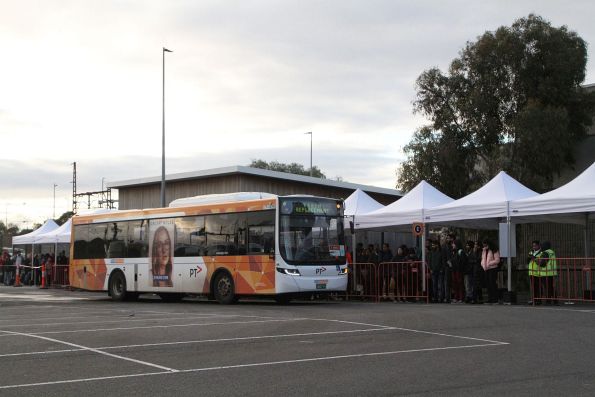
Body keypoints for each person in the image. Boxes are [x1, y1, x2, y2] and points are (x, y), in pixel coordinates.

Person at [481, 239, 501, 304]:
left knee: (492, 283)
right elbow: (483, 259)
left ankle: (495, 299)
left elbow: (497, 260)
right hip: (486, 269)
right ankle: (490, 298)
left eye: (485, 244)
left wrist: (489, 263)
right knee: (488, 284)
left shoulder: (494, 250)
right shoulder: (484, 251)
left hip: (493, 269)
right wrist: (483, 264)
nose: (484, 245)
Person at [527, 240, 543, 304]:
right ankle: (534, 299)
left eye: (535, 246)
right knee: (533, 287)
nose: (534, 247)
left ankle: (539, 300)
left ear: (539, 245)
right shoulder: (531, 252)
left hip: (538, 272)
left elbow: (540, 262)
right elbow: (528, 261)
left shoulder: (541, 253)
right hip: (531, 272)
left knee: (538, 287)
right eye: (533, 246)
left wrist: (534, 258)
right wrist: (529, 258)